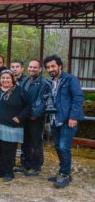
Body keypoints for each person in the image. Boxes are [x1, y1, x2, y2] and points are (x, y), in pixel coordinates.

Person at [43, 55, 84, 188]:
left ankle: (65, 175)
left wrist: (73, 117)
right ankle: (63, 172)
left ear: (60, 66)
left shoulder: (70, 79)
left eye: (53, 66)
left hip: (68, 119)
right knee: (57, 147)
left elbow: (78, 98)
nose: (51, 69)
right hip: (55, 119)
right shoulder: (50, 82)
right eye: (48, 67)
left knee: (63, 147)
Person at [0, 70, 30, 182]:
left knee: (8, 150)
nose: (5, 80)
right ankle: (0, 170)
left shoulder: (20, 91)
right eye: (3, 78)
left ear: (12, 79)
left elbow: (28, 106)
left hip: (10, 127)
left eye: (7, 78)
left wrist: (20, 117)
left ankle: (9, 172)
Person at [21, 60, 50, 176]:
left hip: (35, 118)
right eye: (30, 67)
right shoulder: (26, 80)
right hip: (25, 117)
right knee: (25, 141)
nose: (32, 69)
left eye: (35, 67)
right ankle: (26, 164)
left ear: (40, 69)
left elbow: (43, 101)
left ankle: (36, 166)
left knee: (36, 142)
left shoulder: (44, 83)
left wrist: (35, 114)